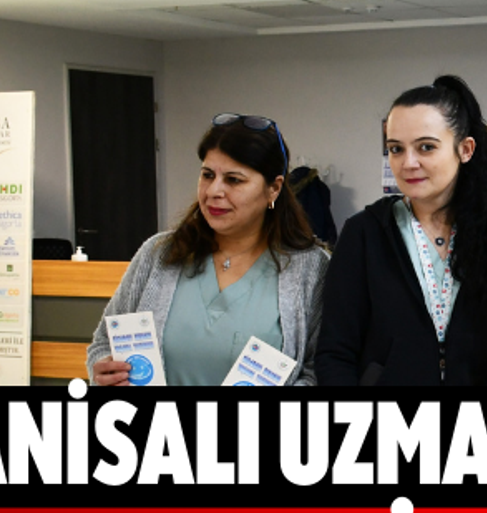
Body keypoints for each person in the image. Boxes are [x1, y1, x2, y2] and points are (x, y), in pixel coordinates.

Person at [316, 75, 487, 385]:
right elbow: (335, 352)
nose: (408, 163)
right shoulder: (364, 233)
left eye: (426, 147)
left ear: (465, 149)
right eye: (396, 149)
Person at [87, 114, 329, 385]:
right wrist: (105, 370)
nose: (214, 191)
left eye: (234, 180)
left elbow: (319, 372)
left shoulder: (310, 269)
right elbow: (103, 343)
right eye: (207, 175)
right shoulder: (158, 254)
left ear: (273, 188)